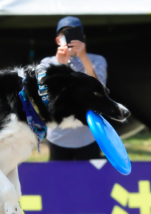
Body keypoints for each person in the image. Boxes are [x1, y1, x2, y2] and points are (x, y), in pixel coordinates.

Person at [39, 17, 108, 161]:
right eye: (65, 34)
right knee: (60, 179)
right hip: (59, 136)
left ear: (83, 38)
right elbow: (48, 97)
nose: (70, 39)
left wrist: (83, 57)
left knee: (90, 178)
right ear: (58, 40)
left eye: (74, 34)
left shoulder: (97, 60)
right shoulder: (47, 63)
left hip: (90, 135)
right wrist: (60, 67)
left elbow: (99, 92)